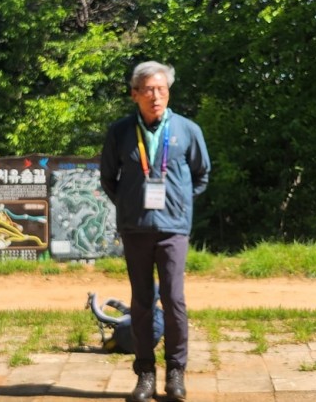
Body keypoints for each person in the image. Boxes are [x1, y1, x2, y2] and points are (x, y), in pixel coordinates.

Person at [100, 61, 210, 402]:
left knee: (174, 299)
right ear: (135, 94)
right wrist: (131, 205)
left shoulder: (187, 130)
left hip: (174, 228)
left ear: (168, 93)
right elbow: (108, 178)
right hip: (135, 228)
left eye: (161, 89)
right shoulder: (120, 132)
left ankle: (176, 372)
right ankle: (145, 374)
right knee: (142, 301)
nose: (156, 96)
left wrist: (178, 204)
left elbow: (202, 174)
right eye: (148, 90)